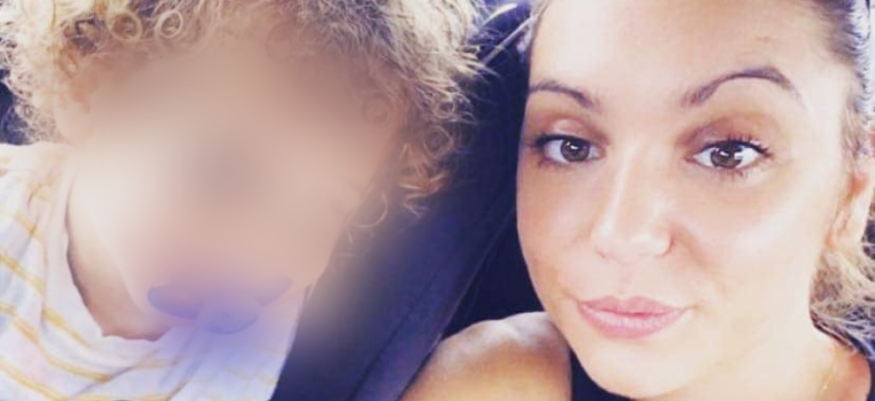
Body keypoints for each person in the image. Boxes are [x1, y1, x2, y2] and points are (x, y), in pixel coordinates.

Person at [0, 0, 478, 399]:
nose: (255, 251)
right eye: (225, 174)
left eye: (317, 211)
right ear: (92, 90)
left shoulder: (263, 337)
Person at [404, 0, 875, 400]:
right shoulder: (494, 383)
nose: (620, 235)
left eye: (728, 153)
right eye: (570, 146)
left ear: (854, 191)